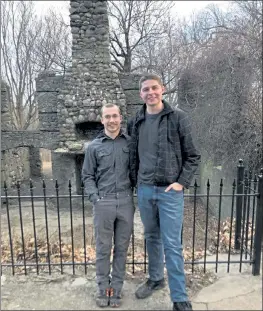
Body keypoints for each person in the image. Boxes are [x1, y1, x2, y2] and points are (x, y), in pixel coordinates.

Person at [127, 73, 201, 311]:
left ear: (163, 89)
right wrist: (134, 182)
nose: (151, 93)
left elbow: (193, 155)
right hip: (145, 190)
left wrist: (181, 183)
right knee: (151, 238)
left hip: (170, 191)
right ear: (141, 94)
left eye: (154, 88)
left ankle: (179, 298)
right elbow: (131, 155)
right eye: (146, 89)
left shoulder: (178, 118)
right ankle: (156, 279)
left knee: (171, 244)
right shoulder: (136, 121)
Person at [82, 103, 134, 308]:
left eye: (115, 116)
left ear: (121, 118)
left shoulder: (130, 144)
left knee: (121, 248)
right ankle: (103, 288)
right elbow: (87, 176)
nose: (112, 120)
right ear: (102, 120)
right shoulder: (94, 147)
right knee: (103, 248)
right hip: (103, 202)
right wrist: (95, 197)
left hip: (125, 202)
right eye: (107, 117)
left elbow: (137, 170)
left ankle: (117, 289)